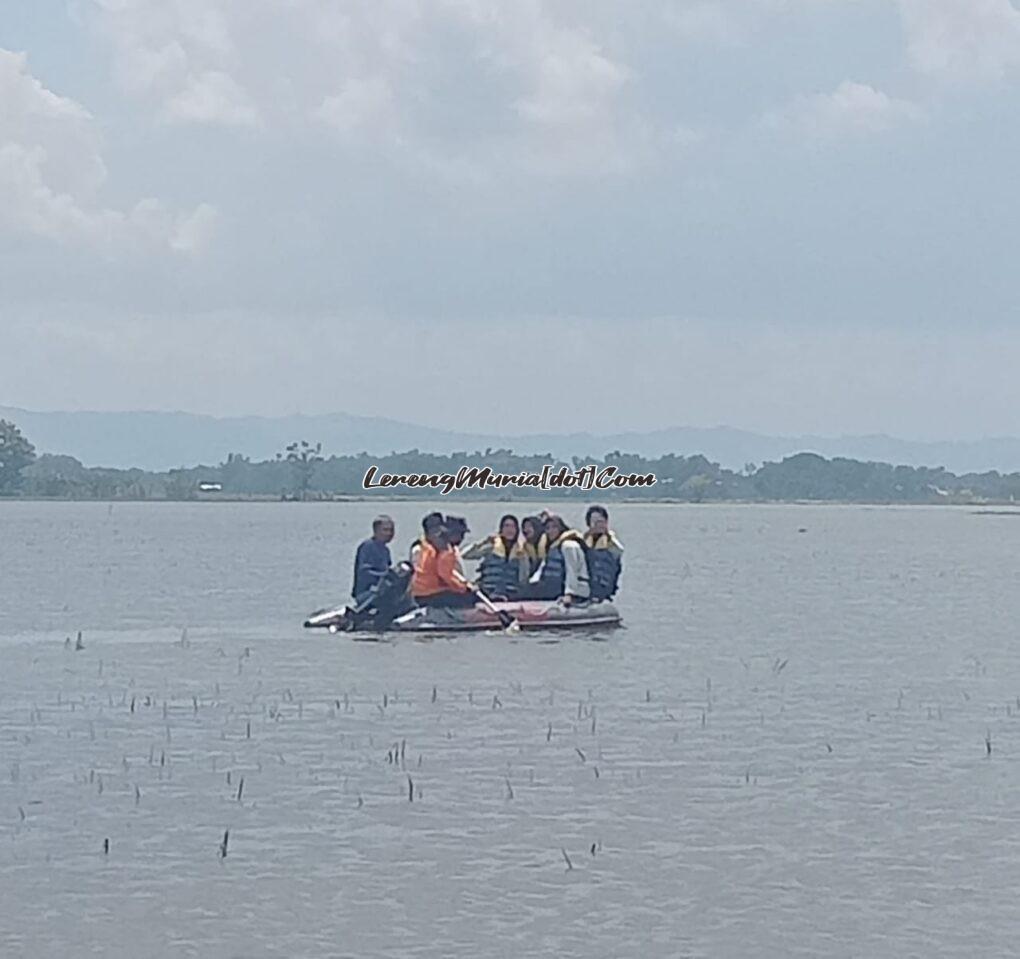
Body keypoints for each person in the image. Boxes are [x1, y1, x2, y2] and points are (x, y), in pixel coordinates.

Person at [520, 513, 590, 605]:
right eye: (547, 528)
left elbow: (572, 571)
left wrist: (569, 594)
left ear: (561, 528)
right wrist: (530, 585)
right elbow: (541, 570)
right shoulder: (552, 547)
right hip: (551, 586)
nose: (550, 531)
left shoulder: (569, 545)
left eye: (554, 527)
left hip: (569, 590)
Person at [411, 521, 479, 608]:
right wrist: (464, 588)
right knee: (470, 598)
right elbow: (445, 576)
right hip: (429, 593)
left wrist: (464, 584)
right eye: (459, 534)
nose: (461, 538)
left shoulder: (431, 547)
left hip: (424, 592)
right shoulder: (444, 550)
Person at [463, 514, 529, 600]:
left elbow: (523, 579)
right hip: (487, 591)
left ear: (517, 530)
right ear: (501, 529)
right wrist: (483, 542)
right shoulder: (491, 546)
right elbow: (465, 555)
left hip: (509, 594)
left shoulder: (521, 551)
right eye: (506, 526)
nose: (509, 530)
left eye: (513, 527)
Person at [583, 505, 624, 601]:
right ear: (589, 524)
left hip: (601, 593)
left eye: (602, 521)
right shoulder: (582, 543)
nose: (599, 525)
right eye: (595, 522)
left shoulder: (613, 546)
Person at [351, 515, 395, 604]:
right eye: (385, 530)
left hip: (380, 591)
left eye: (391, 530)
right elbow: (364, 572)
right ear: (376, 531)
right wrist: (385, 575)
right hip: (366, 593)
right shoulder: (367, 546)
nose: (389, 533)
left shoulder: (385, 550)